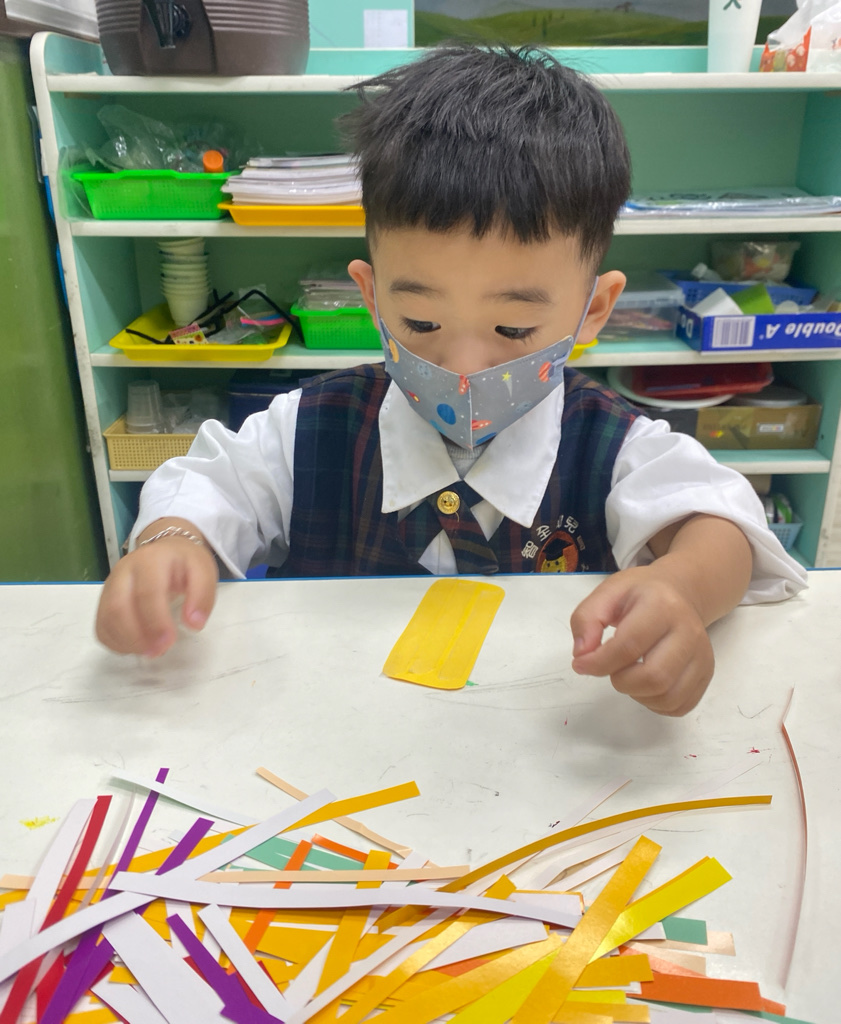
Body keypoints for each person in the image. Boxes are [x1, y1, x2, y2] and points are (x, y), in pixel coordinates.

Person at [95, 44, 806, 716]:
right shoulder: (311, 427)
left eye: (514, 330)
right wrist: (172, 542)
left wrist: (680, 589)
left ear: (593, 310)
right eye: (421, 322)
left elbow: (719, 527)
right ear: (371, 296)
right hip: (331, 732)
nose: (462, 370)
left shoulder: (614, 446)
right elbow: (211, 484)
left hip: (543, 746)